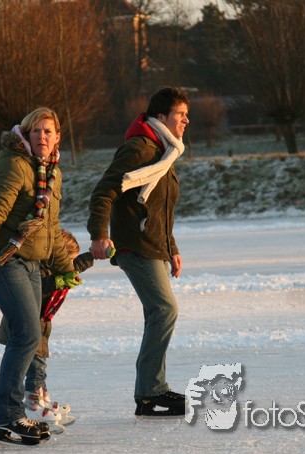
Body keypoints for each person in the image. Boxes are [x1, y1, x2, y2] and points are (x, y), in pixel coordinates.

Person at [0, 107, 81, 447]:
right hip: (4, 258)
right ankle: (8, 416)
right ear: (26, 135)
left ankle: (9, 418)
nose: (42, 136)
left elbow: (51, 227)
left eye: (48, 132)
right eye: (36, 131)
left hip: (32, 263)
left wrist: (65, 267)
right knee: (27, 333)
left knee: (29, 336)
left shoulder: (53, 173)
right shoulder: (15, 164)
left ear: (57, 138)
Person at [86, 86, 190, 418]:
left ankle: (149, 391)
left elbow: (161, 208)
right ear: (161, 117)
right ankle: (151, 391)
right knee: (164, 310)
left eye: (186, 114)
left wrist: (172, 248)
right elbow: (103, 193)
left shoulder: (165, 151)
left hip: (154, 245)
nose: (186, 120)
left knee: (158, 313)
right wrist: (99, 235)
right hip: (136, 245)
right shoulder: (140, 148)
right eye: (180, 114)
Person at [0, 229, 94, 431]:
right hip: (27, 326)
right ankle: (33, 405)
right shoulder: (37, 270)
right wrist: (58, 282)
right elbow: (40, 286)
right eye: (67, 260)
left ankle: (42, 399)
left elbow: (73, 267)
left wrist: (93, 256)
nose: (69, 265)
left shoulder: (52, 269)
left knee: (40, 367)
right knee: (35, 368)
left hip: (41, 325)